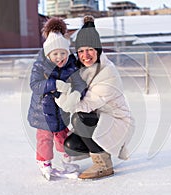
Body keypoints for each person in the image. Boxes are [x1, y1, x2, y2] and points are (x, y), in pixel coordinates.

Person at [56, 15, 135, 180]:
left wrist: (63, 100)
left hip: (117, 120)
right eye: (81, 51)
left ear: (98, 50)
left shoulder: (107, 72)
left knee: (79, 118)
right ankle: (99, 150)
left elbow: (86, 105)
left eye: (90, 49)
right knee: (71, 145)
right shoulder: (82, 69)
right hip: (99, 118)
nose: (85, 55)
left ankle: (103, 165)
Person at [27, 17, 86, 180]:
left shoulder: (72, 64)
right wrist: (55, 85)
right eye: (55, 54)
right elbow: (35, 85)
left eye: (63, 53)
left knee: (62, 135)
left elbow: (80, 82)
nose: (59, 57)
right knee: (44, 137)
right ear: (48, 54)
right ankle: (44, 162)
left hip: (61, 109)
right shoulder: (40, 65)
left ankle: (66, 159)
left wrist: (76, 93)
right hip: (42, 110)